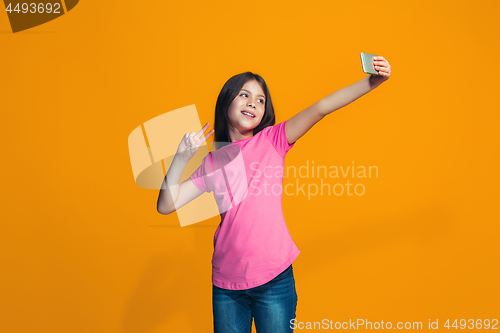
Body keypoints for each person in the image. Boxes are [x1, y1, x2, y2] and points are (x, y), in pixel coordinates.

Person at [157, 56, 392, 332]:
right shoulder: (211, 163)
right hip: (227, 285)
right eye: (244, 95)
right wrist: (181, 159)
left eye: (260, 100)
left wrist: (371, 82)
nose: (252, 103)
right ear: (226, 102)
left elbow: (321, 108)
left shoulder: (273, 140)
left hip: (274, 280)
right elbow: (166, 205)